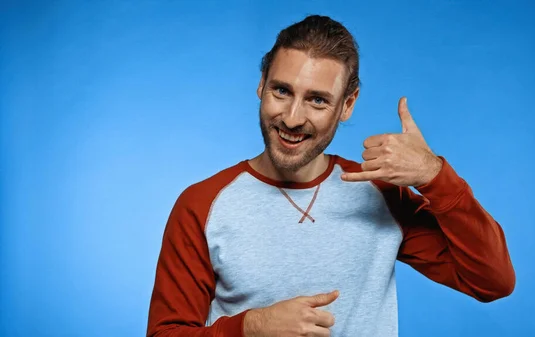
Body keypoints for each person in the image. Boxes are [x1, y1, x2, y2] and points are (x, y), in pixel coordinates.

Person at [146, 14, 516, 337]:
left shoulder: (379, 193)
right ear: (261, 85)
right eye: (281, 91)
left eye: (317, 100)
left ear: (347, 105)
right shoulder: (202, 205)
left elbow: (492, 281)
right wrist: (251, 328)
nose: (292, 118)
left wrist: (434, 176)